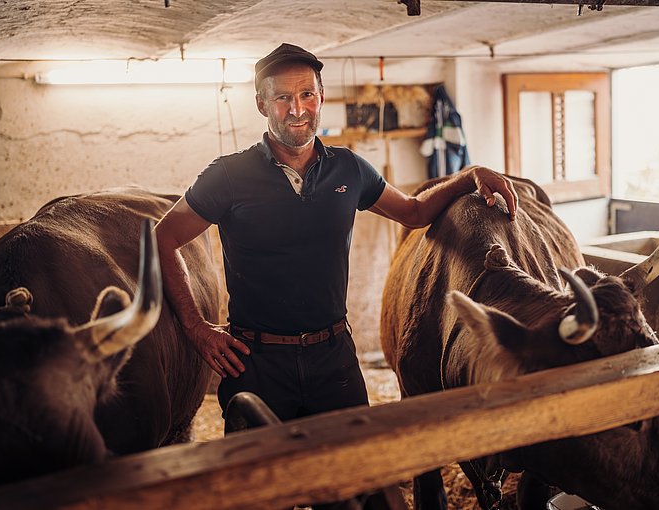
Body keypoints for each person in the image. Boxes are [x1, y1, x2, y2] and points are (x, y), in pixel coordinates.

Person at [154, 42, 519, 426]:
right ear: (262, 103)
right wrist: (195, 329)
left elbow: (414, 213)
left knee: (355, 476)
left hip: (334, 359)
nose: (297, 109)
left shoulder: (349, 169)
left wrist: (469, 176)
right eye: (282, 98)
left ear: (321, 97)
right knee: (264, 481)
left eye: (306, 94)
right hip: (257, 362)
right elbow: (163, 238)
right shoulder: (228, 175)